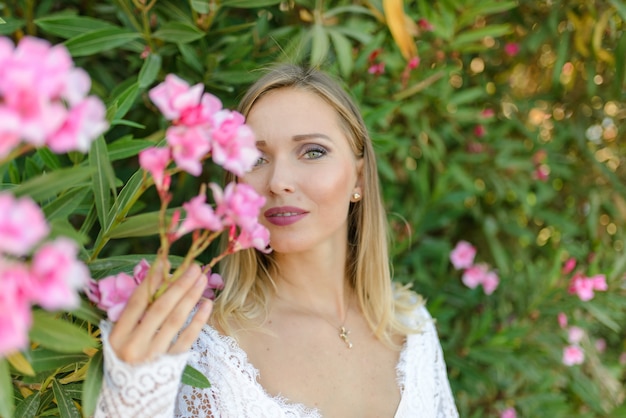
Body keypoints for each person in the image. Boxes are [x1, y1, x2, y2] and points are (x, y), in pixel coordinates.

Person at [95, 64, 459, 417]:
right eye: (256, 158)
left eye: (312, 151)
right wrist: (128, 402)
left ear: (359, 180)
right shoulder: (198, 344)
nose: (278, 181)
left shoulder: (412, 327)